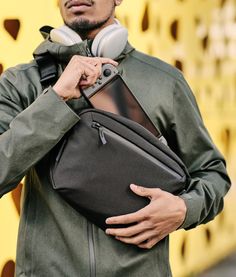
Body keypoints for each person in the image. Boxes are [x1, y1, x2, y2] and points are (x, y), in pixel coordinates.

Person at [0, 0, 231, 276]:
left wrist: (183, 208)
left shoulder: (165, 82)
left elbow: (212, 174)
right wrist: (56, 100)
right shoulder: (20, 84)